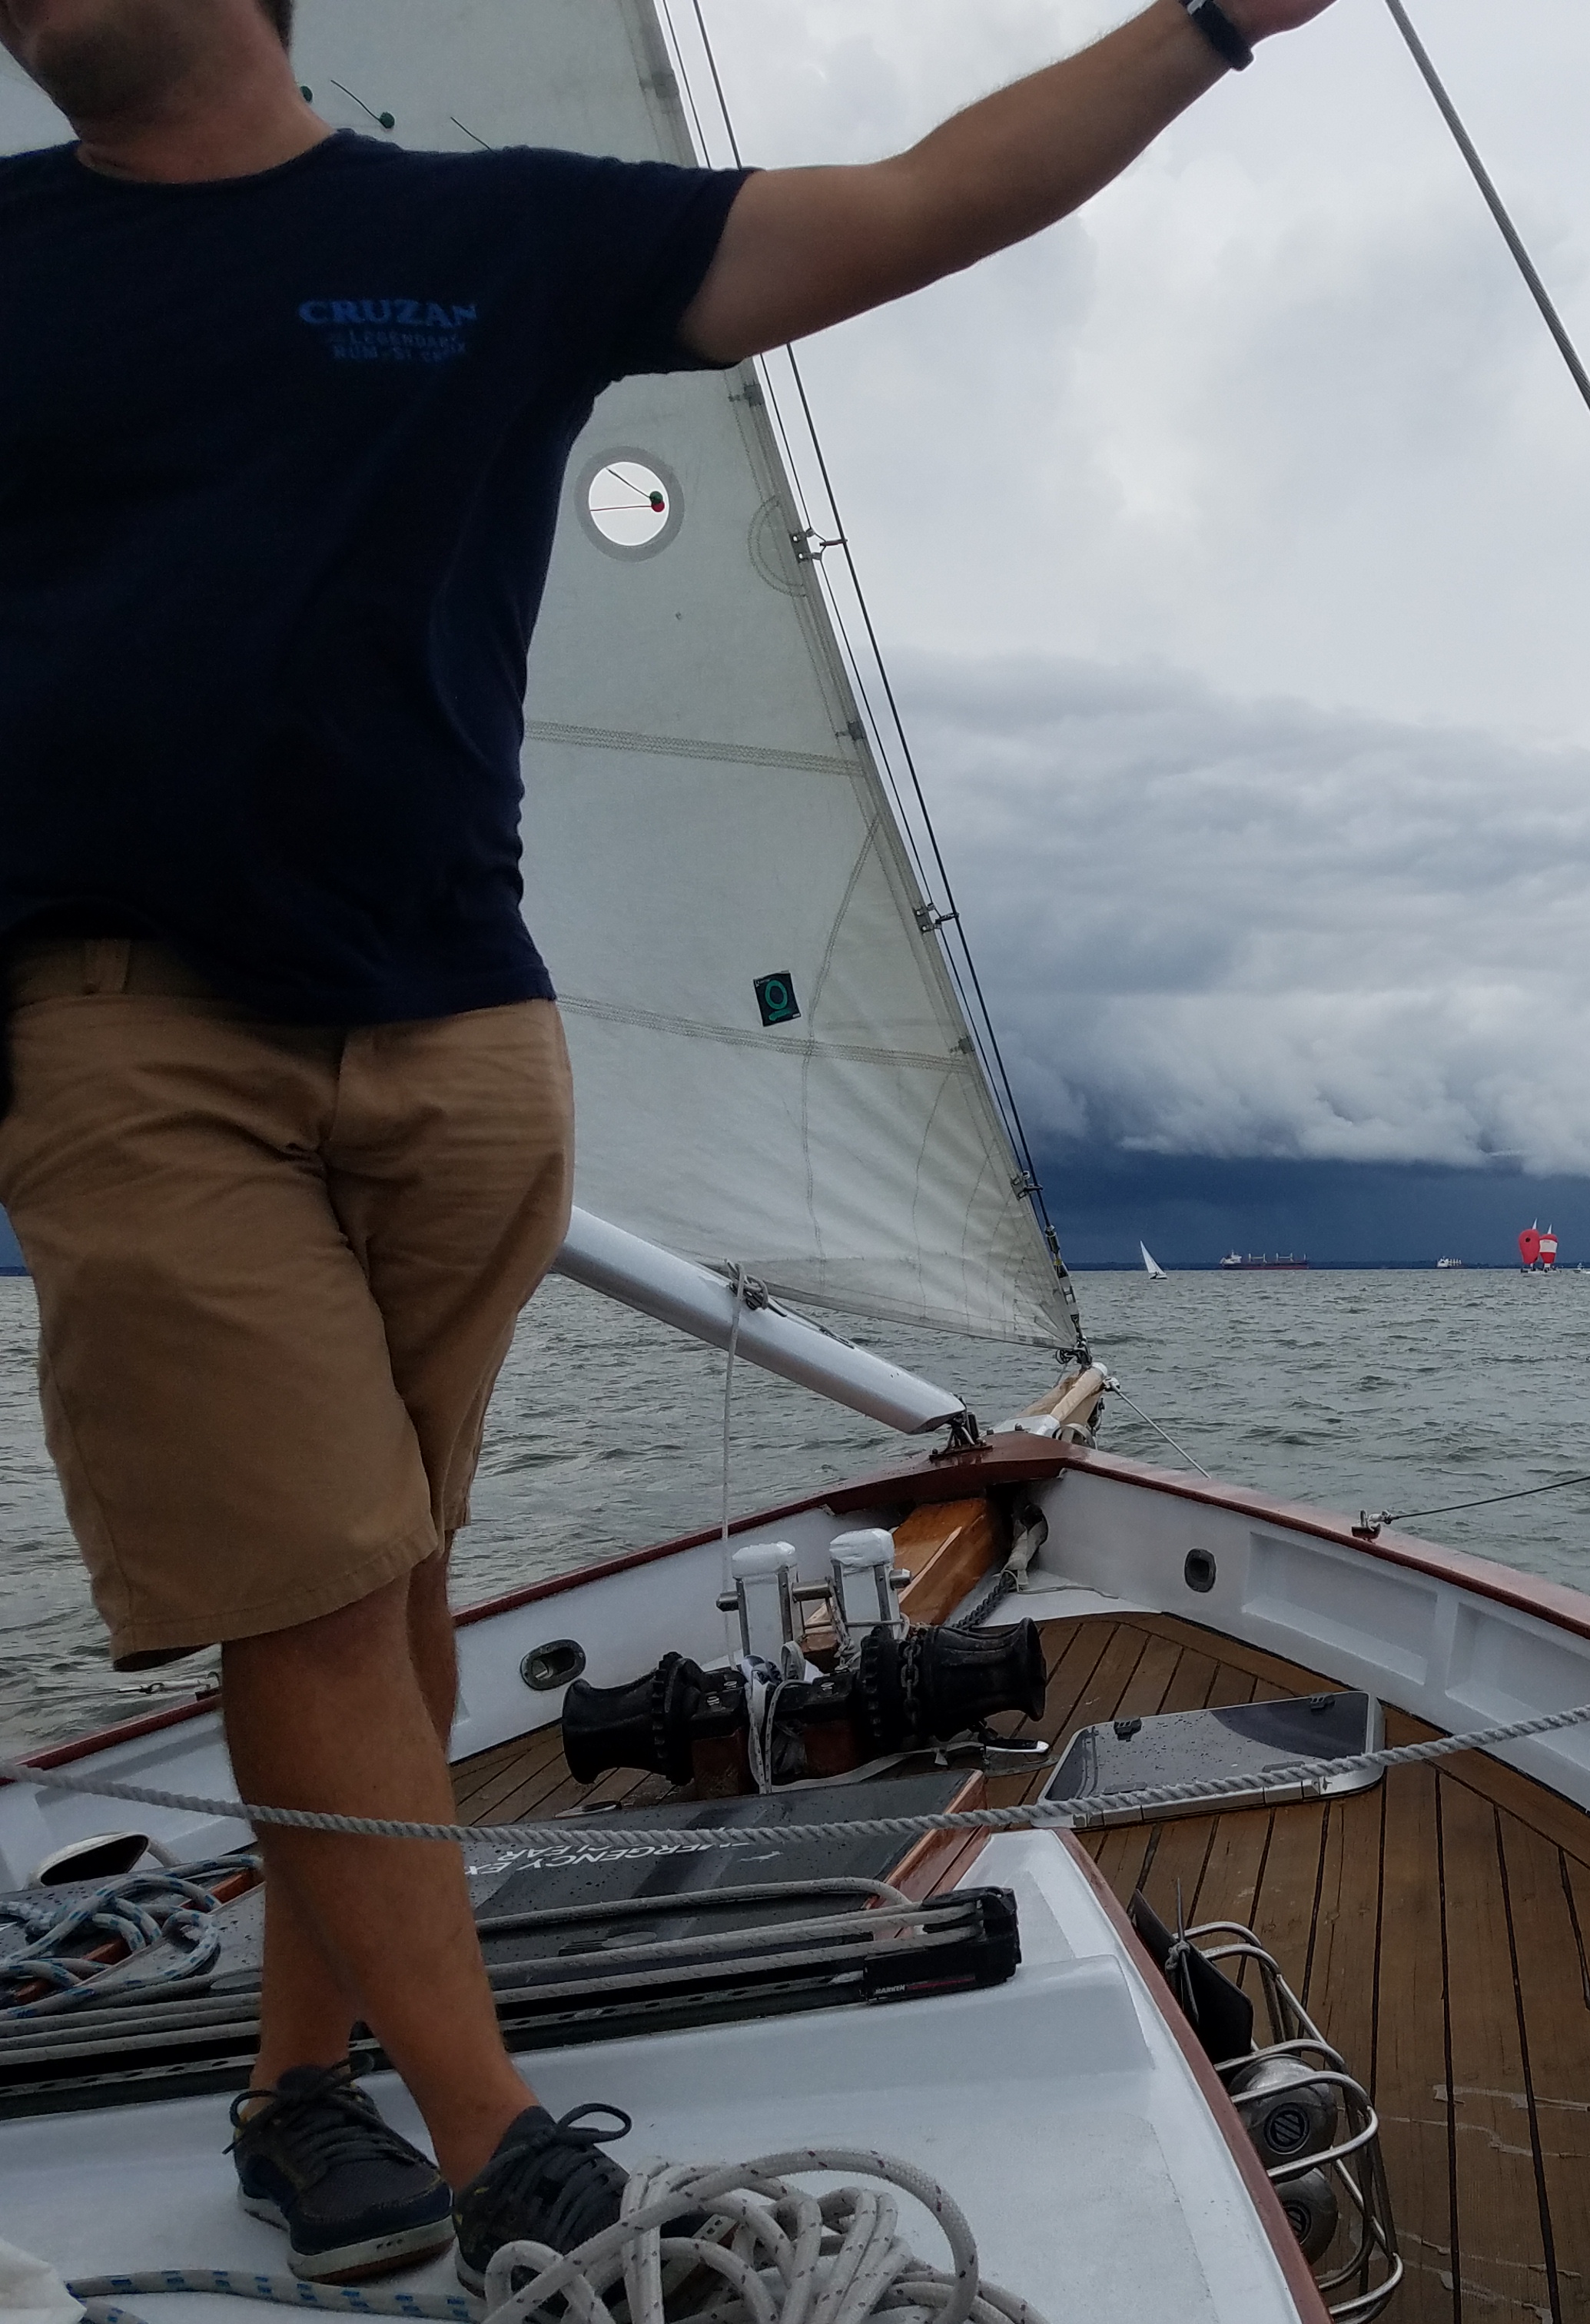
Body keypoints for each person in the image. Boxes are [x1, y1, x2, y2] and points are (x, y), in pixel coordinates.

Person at [0, 0, 1335, 2283]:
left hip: (462, 1038)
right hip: (130, 1033)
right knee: (311, 1592)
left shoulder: (492, 233)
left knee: (389, 1585)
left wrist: (1208, 21)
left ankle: (294, 2088)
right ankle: (509, 2145)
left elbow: (919, 204)